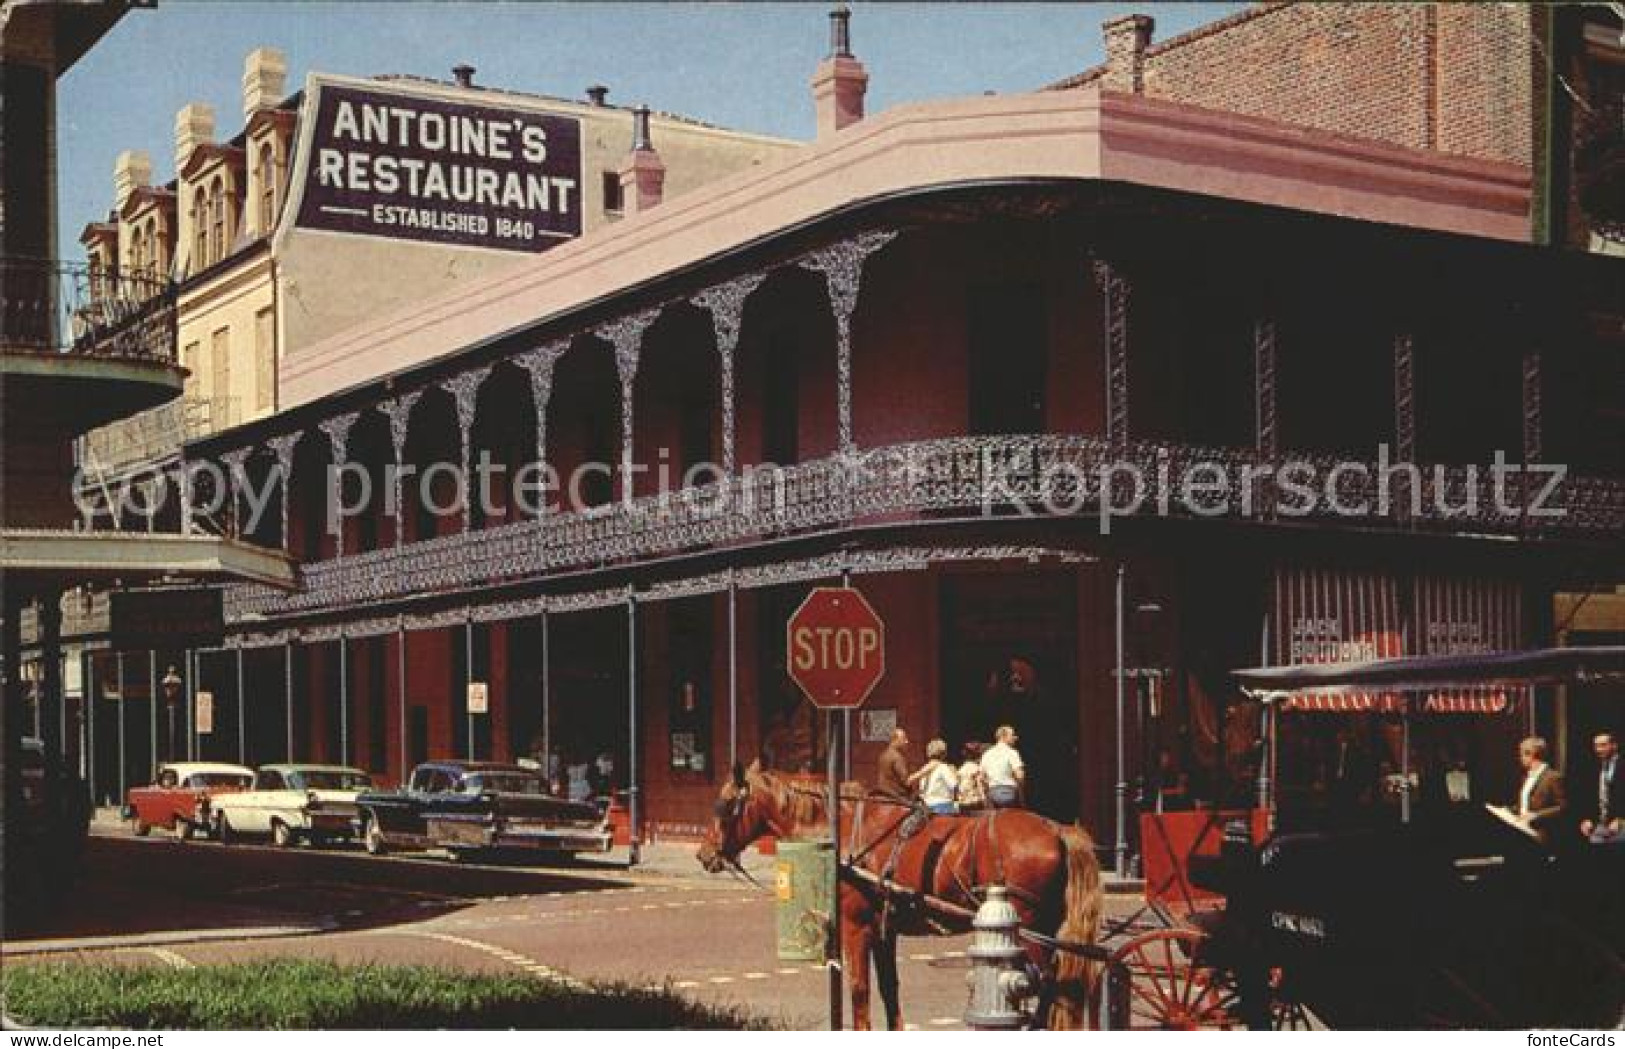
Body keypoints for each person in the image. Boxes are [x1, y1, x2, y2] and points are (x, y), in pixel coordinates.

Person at [1514, 736, 1566, 843]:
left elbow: (1563, 807)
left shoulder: (1553, 777)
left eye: (1522, 754)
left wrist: (1536, 815)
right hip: (1523, 832)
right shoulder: (1526, 777)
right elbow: (1524, 805)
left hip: (1541, 834)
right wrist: (1507, 810)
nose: (1520, 758)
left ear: (1531, 754)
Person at [1580, 731, 1623, 844]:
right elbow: (1588, 796)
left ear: (1614, 745)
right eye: (1596, 746)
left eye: (1603, 745)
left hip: (1621, 825)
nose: (1598, 749)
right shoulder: (1592, 767)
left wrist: (1620, 819)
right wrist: (1587, 819)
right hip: (1599, 825)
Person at [908, 738, 959, 815]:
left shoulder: (924, 768)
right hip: (943, 806)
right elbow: (954, 785)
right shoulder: (943, 767)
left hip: (926, 806)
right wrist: (956, 802)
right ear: (944, 753)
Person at [981, 725, 1026, 809]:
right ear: (1003, 737)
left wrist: (987, 797)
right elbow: (1020, 776)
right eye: (1012, 735)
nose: (1015, 737)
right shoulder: (1012, 752)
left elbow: (982, 778)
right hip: (1009, 793)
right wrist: (1021, 796)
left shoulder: (987, 754)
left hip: (992, 794)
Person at [876, 728, 911, 801]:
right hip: (896, 797)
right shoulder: (897, 757)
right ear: (895, 740)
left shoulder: (884, 754)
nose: (906, 742)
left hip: (883, 793)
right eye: (903, 739)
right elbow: (905, 779)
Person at [956, 741, 988, 812]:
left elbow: (957, 786)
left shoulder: (961, 769)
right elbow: (980, 785)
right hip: (974, 801)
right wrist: (984, 799)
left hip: (962, 801)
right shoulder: (976, 768)